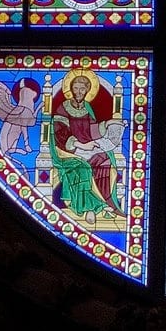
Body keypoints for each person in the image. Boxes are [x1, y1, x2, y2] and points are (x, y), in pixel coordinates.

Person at [50, 68, 124, 224]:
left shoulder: (86, 107)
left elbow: (91, 130)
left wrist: (108, 124)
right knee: (83, 166)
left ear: (88, 90)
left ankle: (107, 200)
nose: (79, 91)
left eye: (82, 88)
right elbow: (59, 134)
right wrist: (80, 146)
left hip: (86, 146)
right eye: (76, 88)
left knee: (105, 160)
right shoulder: (62, 108)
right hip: (66, 150)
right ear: (70, 89)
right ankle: (89, 208)